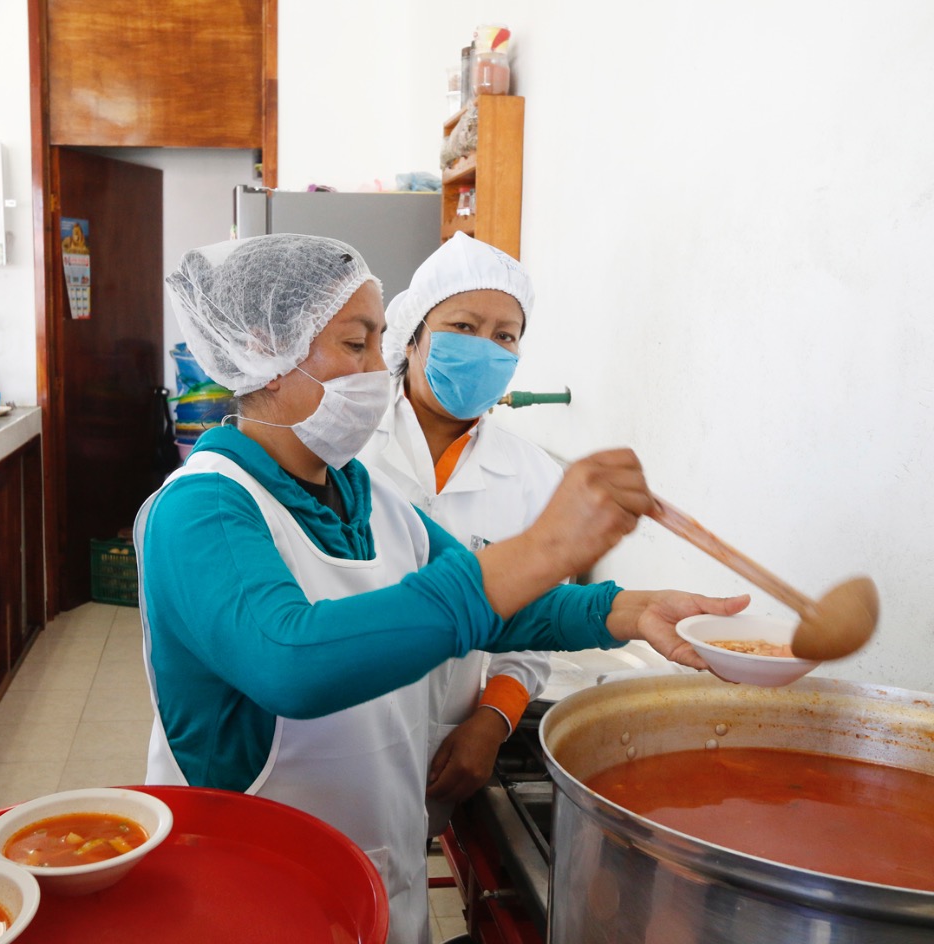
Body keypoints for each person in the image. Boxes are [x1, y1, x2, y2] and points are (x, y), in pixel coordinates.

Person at [136, 233, 747, 944]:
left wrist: (628, 610)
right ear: (266, 352)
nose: (376, 370)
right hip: (248, 889)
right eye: (355, 344)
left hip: (375, 863)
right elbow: (293, 662)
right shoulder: (203, 508)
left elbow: (507, 609)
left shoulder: (361, 495)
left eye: (377, 344)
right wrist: (543, 548)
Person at [358, 232, 561, 834]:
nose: (485, 348)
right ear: (414, 337)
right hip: (339, 731)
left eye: (505, 336)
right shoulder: (348, 452)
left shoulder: (534, 478)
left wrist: (491, 721)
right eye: (464, 327)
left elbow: (535, 627)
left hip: (452, 731)